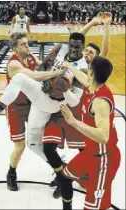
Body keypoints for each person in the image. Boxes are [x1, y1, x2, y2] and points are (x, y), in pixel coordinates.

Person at [0, 32, 81, 191]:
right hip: (15, 109)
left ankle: (59, 169)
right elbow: (35, 76)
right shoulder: (13, 65)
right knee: (20, 147)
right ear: (14, 49)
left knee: (42, 142)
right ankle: (11, 172)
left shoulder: (30, 57)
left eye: (27, 44)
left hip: (30, 104)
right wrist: (57, 73)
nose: (28, 46)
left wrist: (53, 62)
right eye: (23, 45)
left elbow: (42, 66)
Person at [44, 12, 112, 198]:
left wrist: (105, 27)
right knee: (49, 147)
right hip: (63, 112)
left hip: (81, 118)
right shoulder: (76, 61)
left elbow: (105, 53)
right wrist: (92, 22)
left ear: (96, 59)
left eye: (92, 52)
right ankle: (62, 177)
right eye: (86, 50)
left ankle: (76, 177)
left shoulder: (93, 73)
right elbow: (78, 38)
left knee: (85, 151)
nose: (88, 53)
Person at [58, 56, 121, 210]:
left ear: (92, 73)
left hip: (103, 160)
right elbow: (82, 76)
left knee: (92, 208)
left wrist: (74, 122)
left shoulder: (100, 102)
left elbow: (103, 136)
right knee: (65, 178)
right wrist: (68, 66)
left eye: (89, 67)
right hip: (90, 153)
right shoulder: (92, 86)